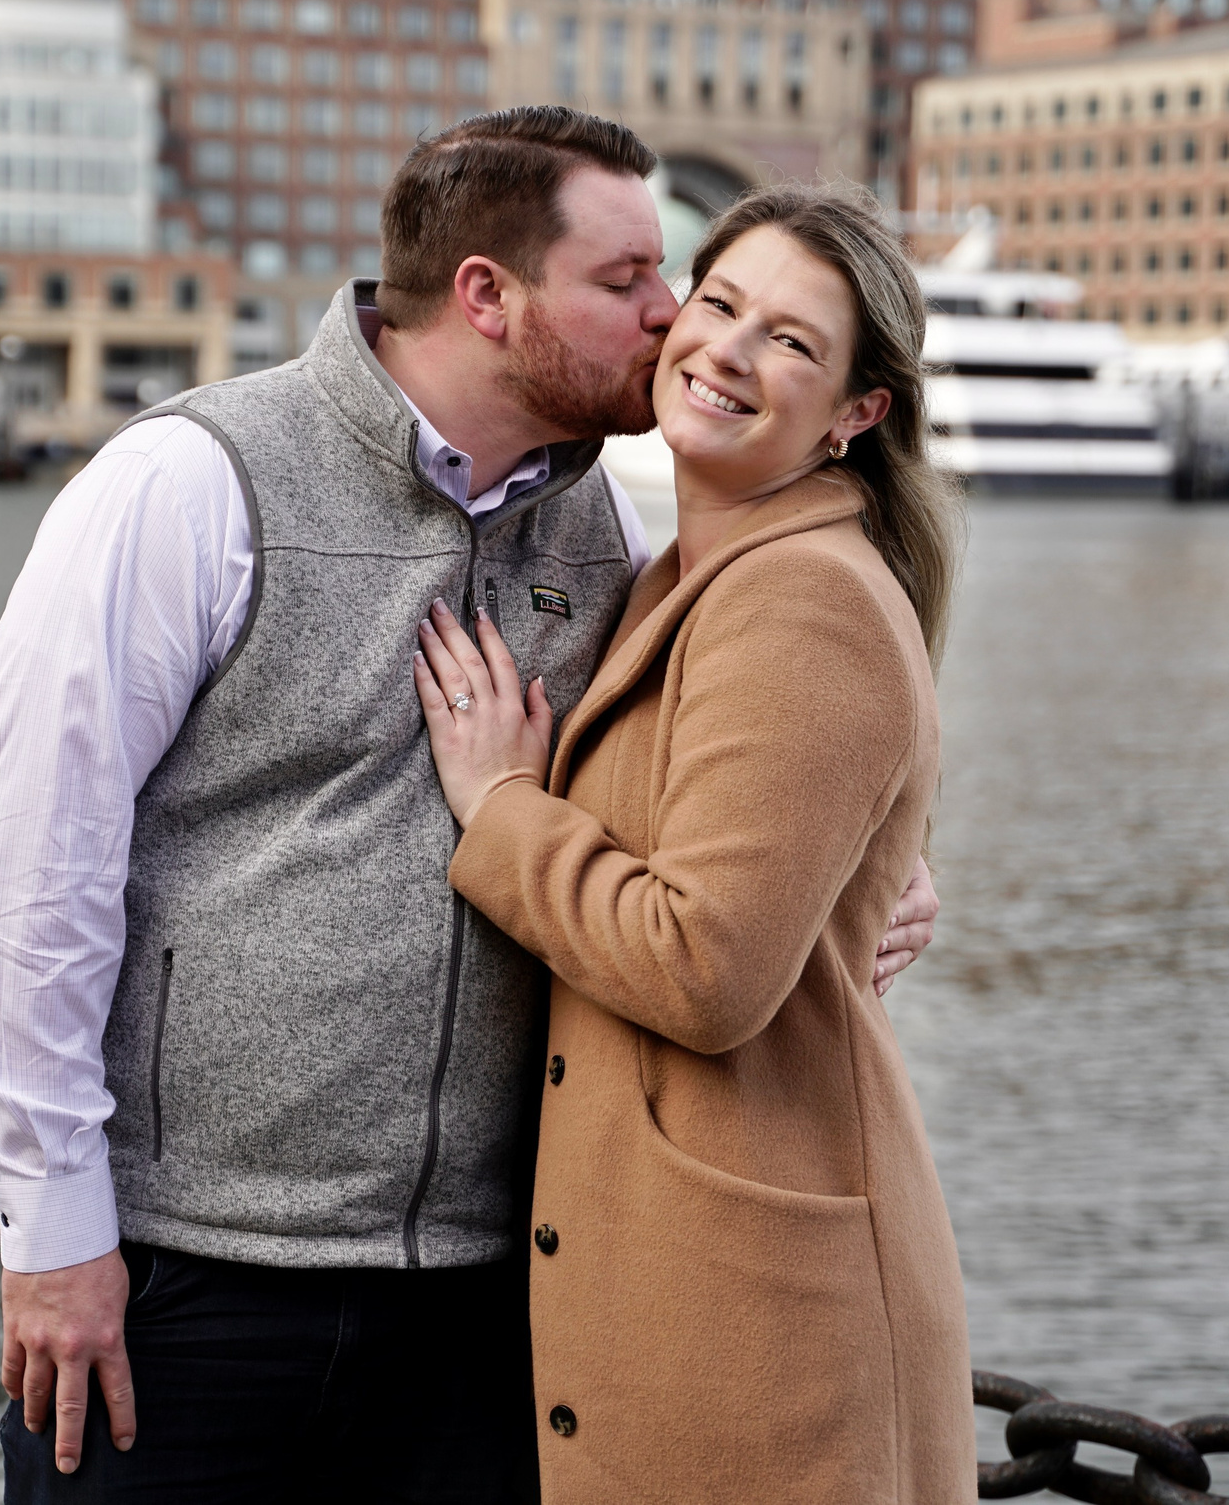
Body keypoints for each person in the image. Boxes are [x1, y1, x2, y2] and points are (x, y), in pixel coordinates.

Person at [0, 108, 938, 1504]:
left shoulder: (619, 540)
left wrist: (880, 870)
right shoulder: (187, 485)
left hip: (490, 1310)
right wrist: (51, 1230)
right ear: (488, 294)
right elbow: (27, 878)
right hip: (189, 1287)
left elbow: (743, 777)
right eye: (631, 280)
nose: (668, 319)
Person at [412, 183, 974, 1505]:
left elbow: (707, 968)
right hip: (689, 1292)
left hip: (753, 1331)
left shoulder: (800, 599)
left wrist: (502, 810)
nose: (726, 348)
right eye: (718, 304)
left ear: (856, 414)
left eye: (791, 339)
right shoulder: (700, 568)